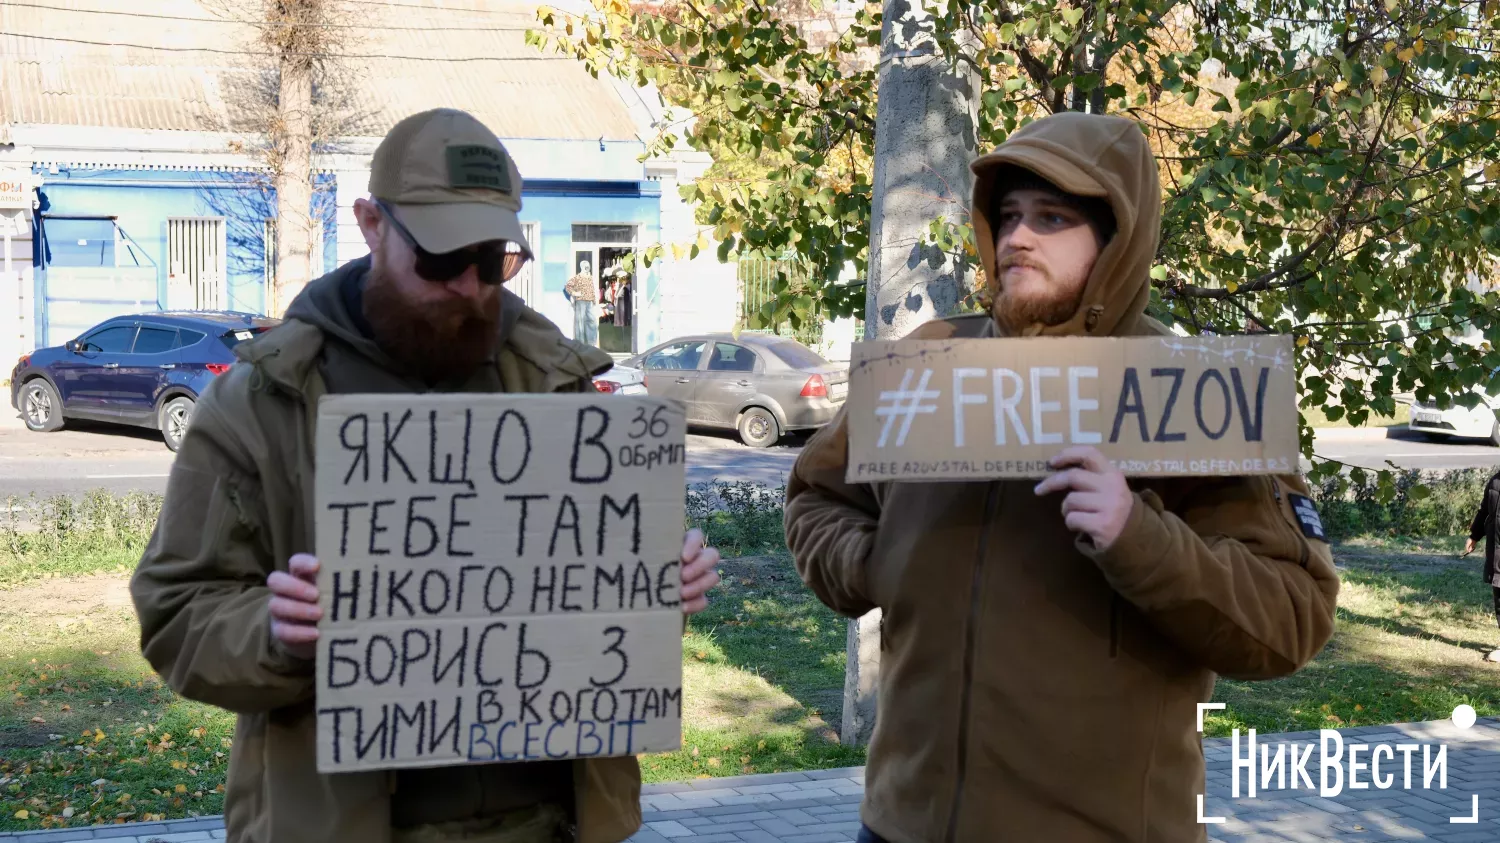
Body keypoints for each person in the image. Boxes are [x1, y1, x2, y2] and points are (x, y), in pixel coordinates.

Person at [129, 108, 721, 843]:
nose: (471, 287)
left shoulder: (554, 383)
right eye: (442, 261)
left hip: (550, 821)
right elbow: (177, 613)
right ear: (372, 224)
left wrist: (653, 587)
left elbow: (580, 604)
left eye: (494, 259)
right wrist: (278, 634)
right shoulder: (262, 403)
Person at [783, 112, 1340, 843]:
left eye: (1052, 218)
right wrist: (873, 560)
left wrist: (1138, 536)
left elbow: (1291, 616)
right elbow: (814, 497)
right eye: (1008, 216)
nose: (1017, 238)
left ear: (1115, 240)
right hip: (901, 823)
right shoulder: (930, 358)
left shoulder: (1189, 391)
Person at [1462, 468, 1500, 662]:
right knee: (1499, 598)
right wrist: (1474, 535)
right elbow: (1484, 510)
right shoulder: (1495, 481)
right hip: (1497, 552)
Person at [564, 259, 598, 346]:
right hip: (581, 301)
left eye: (588, 266)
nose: (587, 268)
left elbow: (591, 289)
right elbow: (568, 286)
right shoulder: (578, 277)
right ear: (582, 267)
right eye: (586, 266)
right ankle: (580, 342)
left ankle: (591, 342)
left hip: (589, 301)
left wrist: (593, 300)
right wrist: (574, 293)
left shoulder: (590, 278)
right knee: (580, 322)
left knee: (591, 320)